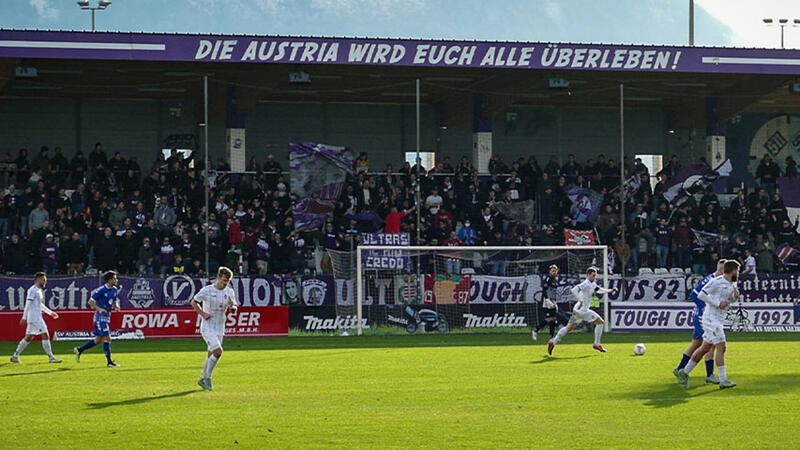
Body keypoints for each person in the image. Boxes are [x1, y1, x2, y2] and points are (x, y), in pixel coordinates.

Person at [676, 260, 740, 389]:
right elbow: (701, 295)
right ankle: (723, 380)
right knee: (722, 347)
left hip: (718, 319)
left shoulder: (733, 283)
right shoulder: (716, 281)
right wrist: (717, 303)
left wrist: (734, 298)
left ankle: (684, 372)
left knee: (705, 348)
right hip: (711, 319)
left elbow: (728, 300)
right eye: (737, 270)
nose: (738, 273)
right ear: (732, 271)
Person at [548, 267, 617, 354]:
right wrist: (580, 300)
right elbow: (574, 290)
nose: (594, 277)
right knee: (600, 322)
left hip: (577, 310)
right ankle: (597, 344)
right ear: (588, 275)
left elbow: (598, 290)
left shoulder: (592, 284)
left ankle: (553, 342)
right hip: (583, 310)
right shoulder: (586, 283)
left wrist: (610, 290)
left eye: (595, 276)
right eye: (593, 275)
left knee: (569, 327)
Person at [192, 266, 238, 391]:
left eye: (227, 281)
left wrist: (233, 308)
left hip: (220, 326)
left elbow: (233, 306)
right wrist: (203, 314)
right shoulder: (207, 290)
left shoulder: (229, 292)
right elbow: (194, 302)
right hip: (207, 326)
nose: (225, 283)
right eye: (223, 280)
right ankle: (208, 378)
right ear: (218, 278)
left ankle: (202, 378)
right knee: (218, 352)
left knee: (211, 354)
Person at [10, 272, 62, 363]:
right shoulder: (33, 290)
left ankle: (15, 356)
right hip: (35, 317)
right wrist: (24, 317)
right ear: (38, 279)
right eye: (44, 280)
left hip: (34, 317)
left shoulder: (38, 290)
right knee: (46, 335)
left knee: (28, 337)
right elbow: (28, 303)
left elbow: (39, 305)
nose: (45, 282)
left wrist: (50, 312)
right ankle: (51, 357)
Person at [73, 270, 121, 367]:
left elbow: (115, 300)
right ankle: (109, 362)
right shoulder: (101, 290)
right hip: (99, 318)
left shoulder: (115, 289)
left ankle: (80, 350)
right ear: (110, 280)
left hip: (107, 317)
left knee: (98, 340)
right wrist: (99, 309)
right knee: (107, 337)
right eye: (115, 278)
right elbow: (90, 302)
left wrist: (116, 306)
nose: (117, 280)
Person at [532, 265, 568, 341]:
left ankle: (551, 337)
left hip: (553, 300)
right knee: (549, 319)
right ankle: (536, 330)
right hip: (546, 301)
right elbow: (544, 290)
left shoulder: (555, 280)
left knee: (554, 319)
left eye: (555, 271)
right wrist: (547, 300)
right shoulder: (548, 279)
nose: (554, 272)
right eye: (552, 271)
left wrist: (554, 301)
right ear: (549, 271)